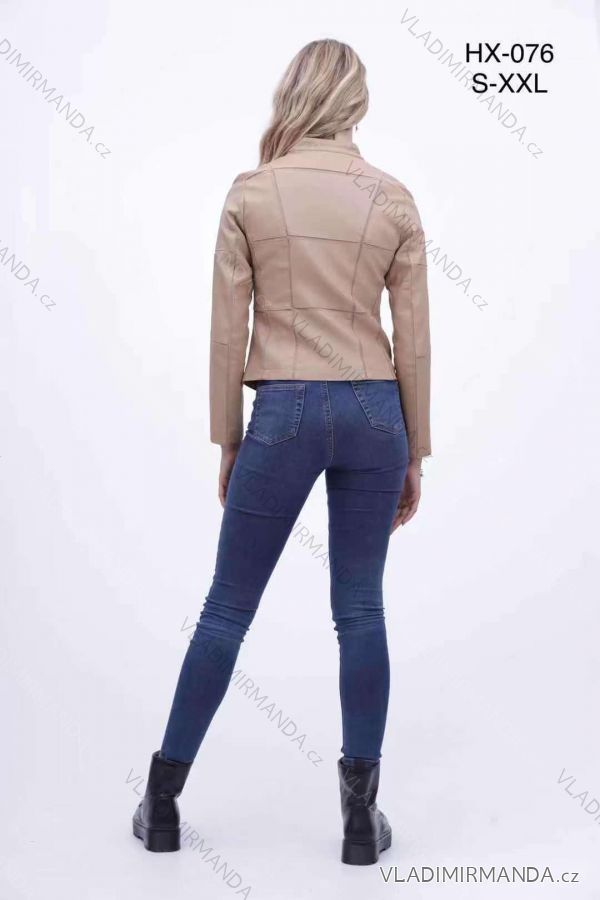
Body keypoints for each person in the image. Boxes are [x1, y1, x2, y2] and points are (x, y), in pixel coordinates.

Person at [133, 37, 431, 866]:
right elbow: (414, 340)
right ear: (356, 104)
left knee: (227, 609)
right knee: (361, 610)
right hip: (375, 411)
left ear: (294, 94)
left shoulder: (252, 193)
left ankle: (162, 802)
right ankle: (360, 822)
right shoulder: (393, 198)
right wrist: (416, 451)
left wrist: (229, 440)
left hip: (285, 412)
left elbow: (227, 331)